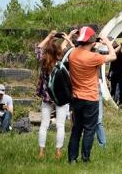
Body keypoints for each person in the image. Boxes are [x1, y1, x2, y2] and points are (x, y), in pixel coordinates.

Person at [67, 26, 116, 164]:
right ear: (91, 42)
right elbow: (113, 56)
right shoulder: (93, 57)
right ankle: (85, 158)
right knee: (89, 130)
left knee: (76, 129)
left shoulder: (73, 54)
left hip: (76, 98)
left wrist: (93, 45)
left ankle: (72, 159)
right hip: (91, 98)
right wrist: (107, 42)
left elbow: (81, 50)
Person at [36, 30, 72, 159]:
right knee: (60, 125)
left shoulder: (43, 62)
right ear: (57, 52)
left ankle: (41, 152)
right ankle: (58, 151)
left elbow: (39, 48)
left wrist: (49, 37)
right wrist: (68, 38)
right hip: (60, 97)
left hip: (47, 97)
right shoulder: (60, 63)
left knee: (44, 125)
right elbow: (66, 49)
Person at [108, 40, 122, 105]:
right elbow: (111, 66)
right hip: (115, 73)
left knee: (121, 88)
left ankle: (120, 101)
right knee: (113, 87)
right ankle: (113, 100)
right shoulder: (113, 56)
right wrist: (109, 73)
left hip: (121, 74)